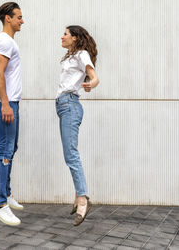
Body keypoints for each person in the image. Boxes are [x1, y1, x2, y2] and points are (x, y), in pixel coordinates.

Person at [55, 25, 100, 226]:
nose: (61, 37)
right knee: (70, 153)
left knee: (70, 153)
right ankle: (78, 196)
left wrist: (92, 83)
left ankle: (83, 199)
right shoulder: (72, 56)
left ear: (75, 38)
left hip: (70, 105)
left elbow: (94, 75)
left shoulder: (82, 55)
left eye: (65, 34)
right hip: (64, 106)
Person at [0, 2, 24, 226]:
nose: (23, 20)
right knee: (4, 149)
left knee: (11, 148)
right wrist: (5, 104)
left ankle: (6, 194)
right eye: (19, 17)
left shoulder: (9, 42)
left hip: (11, 102)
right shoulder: (3, 40)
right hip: (6, 103)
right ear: (7, 18)